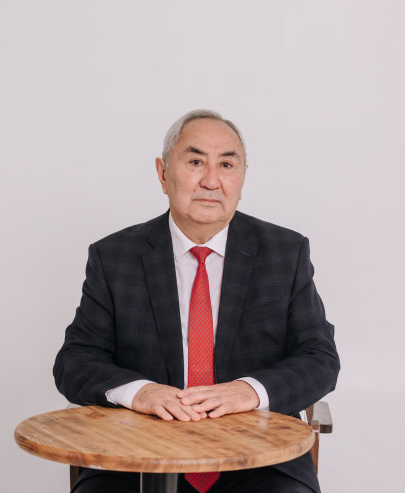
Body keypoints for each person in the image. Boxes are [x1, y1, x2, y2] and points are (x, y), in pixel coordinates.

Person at [53, 109, 340, 493]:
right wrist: (139, 392)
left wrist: (249, 391)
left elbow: (319, 359)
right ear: (163, 173)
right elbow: (75, 361)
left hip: (260, 458)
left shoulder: (285, 252)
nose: (211, 180)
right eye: (195, 162)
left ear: (242, 178)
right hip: (135, 453)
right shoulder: (115, 256)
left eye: (227, 164)